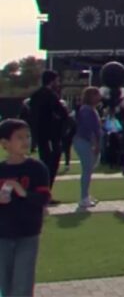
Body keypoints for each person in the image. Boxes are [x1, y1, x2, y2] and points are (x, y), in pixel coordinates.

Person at [0, 119, 50, 297]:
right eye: (19, 137)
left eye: (27, 136)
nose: (25, 141)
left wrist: (23, 192)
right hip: (3, 235)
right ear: (5, 144)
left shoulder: (37, 169)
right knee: (6, 285)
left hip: (28, 234)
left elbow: (44, 198)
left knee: (22, 285)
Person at [28, 70, 65, 190]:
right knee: (51, 164)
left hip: (40, 134)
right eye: (57, 80)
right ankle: (46, 191)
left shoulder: (35, 95)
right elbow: (62, 113)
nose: (58, 83)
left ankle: (44, 190)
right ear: (52, 81)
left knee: (45, 162)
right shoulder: (50, 95)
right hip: (50, 135)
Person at [72, 87, 103, 210]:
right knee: (87, 169)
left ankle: (86, 195)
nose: (99, 97)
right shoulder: (87, 110)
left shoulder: (90, 109)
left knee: (89, 169)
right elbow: (89, 129)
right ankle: (83, 197)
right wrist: (95, 144)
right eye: (97, 95)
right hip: (84, 141)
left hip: (85, 141)